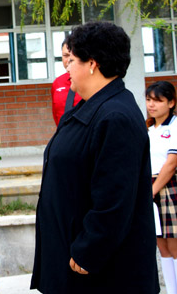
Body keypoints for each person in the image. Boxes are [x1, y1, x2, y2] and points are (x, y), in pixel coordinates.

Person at [31, 22, 159, 293]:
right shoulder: (88, 108)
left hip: (100, 274)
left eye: (72, 60)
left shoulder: (115, 117)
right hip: (73, 262)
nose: (67, 68)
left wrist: (88, 249)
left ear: (92, 64)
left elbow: (114, 200)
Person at [146, 81, 177, 294]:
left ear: (171, 102)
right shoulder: (147, 128)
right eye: (148, 100)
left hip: (168, 187)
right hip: (150, 187)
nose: (152, 105)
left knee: (174, 245)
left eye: (158, 100)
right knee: (161, 246)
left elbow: (172, 163)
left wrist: (153, 190)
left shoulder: (174, 126)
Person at [51, 38, 82, 126]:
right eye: (65, 55)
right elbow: (55, 114)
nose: (69, 59)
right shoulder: (58, 83)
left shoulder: (90, 81)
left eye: (72, 55)